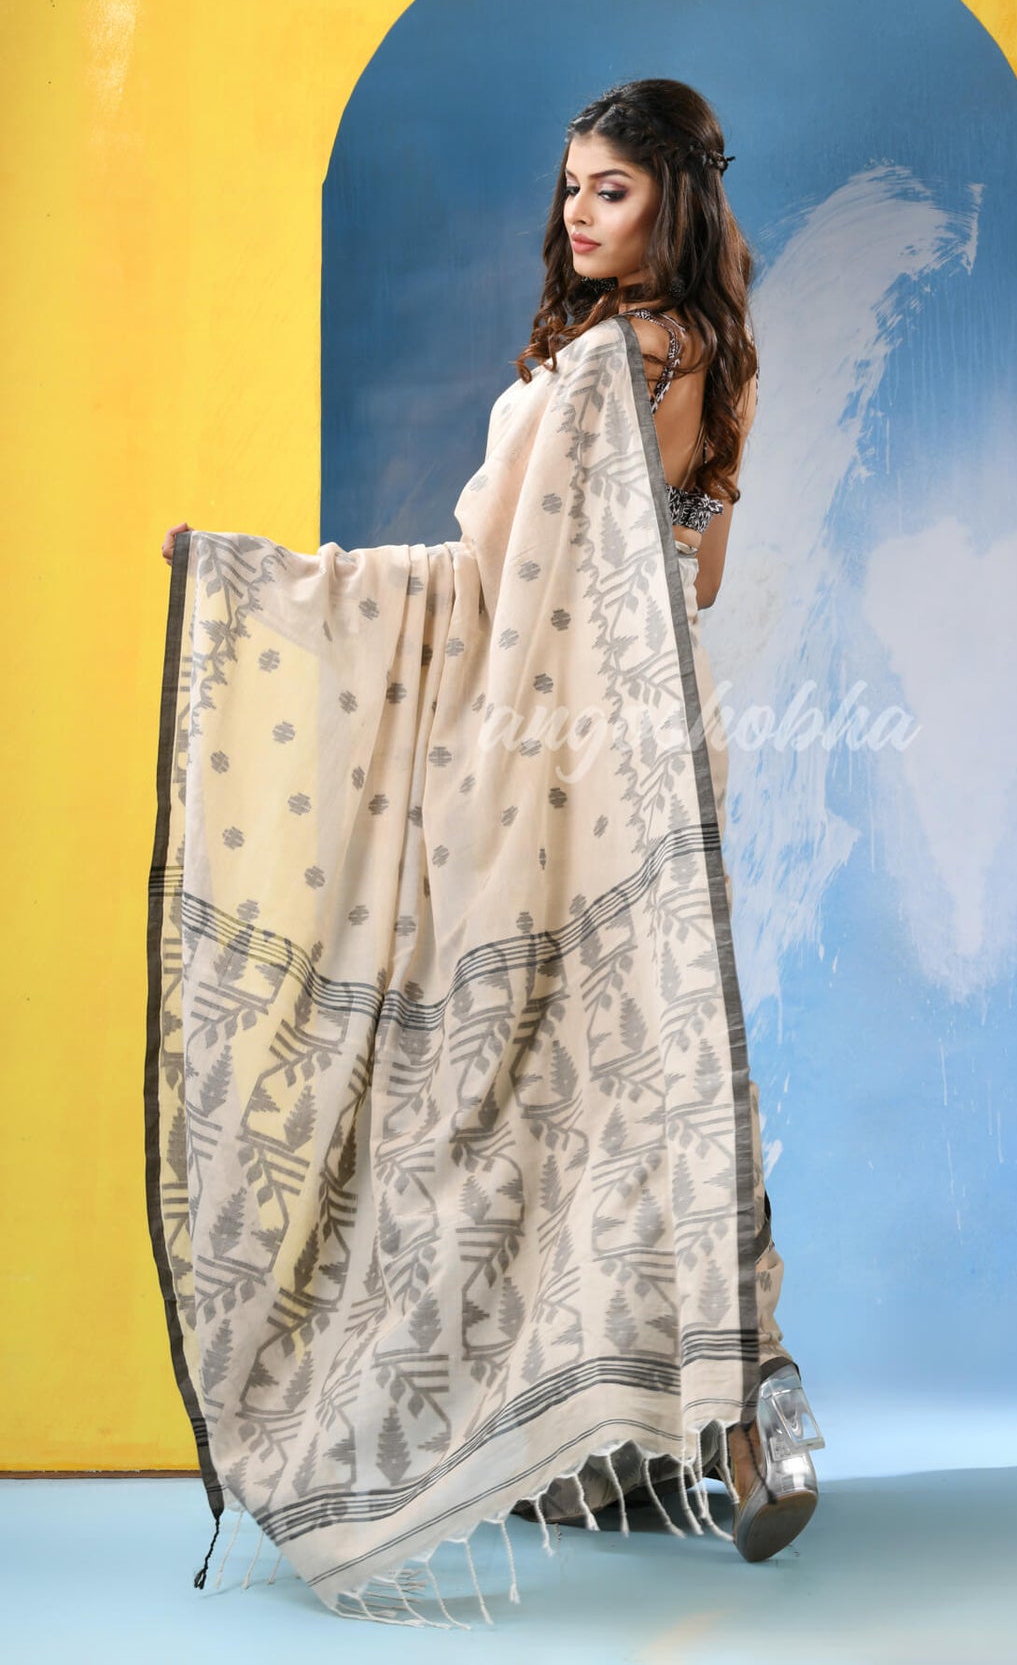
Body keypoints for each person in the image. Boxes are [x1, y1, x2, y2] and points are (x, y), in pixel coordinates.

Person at [155, 78, 823, 1620]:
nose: (579, 214)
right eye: (572, 187)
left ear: (672, 199)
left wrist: (265, 583)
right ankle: (729, 1425)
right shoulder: (714, 355)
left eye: (611, 190)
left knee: (530, 1074)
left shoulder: (607, 361)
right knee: (662, 1061)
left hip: (558, 751)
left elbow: (485, 577)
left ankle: (584, 1429)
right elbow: (697, 580)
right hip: (659, 730)